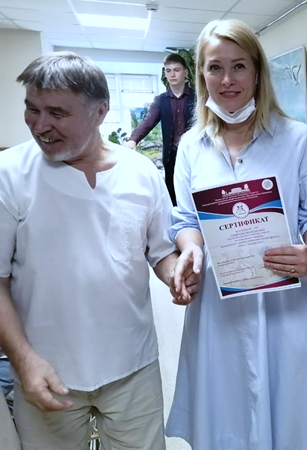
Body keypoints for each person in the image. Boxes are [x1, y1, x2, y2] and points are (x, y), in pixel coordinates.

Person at [0, 52, 198, 450]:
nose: (40, 125)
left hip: (132, 364)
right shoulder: (10, 174)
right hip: (45, 368)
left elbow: (160, 251)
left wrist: (177, 274)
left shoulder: (140, 172)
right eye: (32, 109)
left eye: (57, 113)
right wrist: (24, 361)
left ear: (100, 112)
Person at [166, 19, 307, 449]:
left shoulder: (297, 139)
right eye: (215, 67)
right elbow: (186, 220)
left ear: (257, 72)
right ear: (201, 75)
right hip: (218, 304)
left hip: (286, 301)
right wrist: (190, 251)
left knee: (293, 415)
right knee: (227, 413)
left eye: (239, 66)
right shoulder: (191, 146)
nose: (227, 79)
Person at [126, 53, 197, 206]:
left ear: (185, 73)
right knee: (173, 196)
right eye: (168, 70)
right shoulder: (161, 100)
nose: (172, 74)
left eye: (176, 70)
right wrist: (133, 140)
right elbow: (148, 121)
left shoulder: (197, 97)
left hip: (195, 155)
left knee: (196, 195)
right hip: (171, 157)